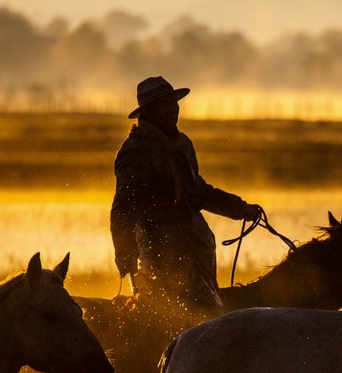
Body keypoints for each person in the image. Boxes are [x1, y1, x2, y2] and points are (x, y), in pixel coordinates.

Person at [110, 76, 262, 315]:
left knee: (209, 310)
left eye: (174, 103)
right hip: (160, 252)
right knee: (177, 314)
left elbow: (198, 192)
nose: (173, 110)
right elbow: (123, 209)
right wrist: (126, 256)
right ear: (148, 112)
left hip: (198, 246)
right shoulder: (135, 153)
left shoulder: (183, 144)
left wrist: (240, 208)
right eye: (166, 105)